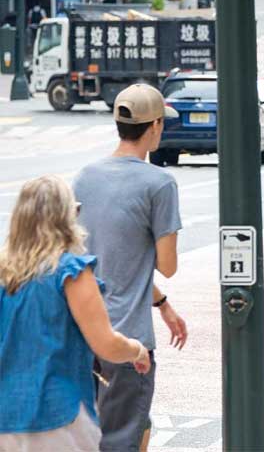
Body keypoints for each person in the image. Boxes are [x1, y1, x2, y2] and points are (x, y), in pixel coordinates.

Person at [72, 84, 187, 452]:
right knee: (122, 438)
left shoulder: (85, 176)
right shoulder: (159, 183)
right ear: (154, 127)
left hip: (80, 331)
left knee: (91, 436)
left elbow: (101, 259)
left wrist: (162, 304)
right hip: (128, 342)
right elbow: (166, 265)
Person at [0, 176, 152, 450]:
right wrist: (137, 350)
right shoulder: (71, 272)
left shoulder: (4, 273)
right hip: (58, 415)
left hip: (6, 416)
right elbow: (105, 343)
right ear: (65, 219)